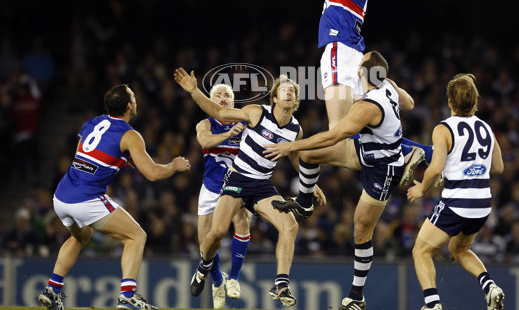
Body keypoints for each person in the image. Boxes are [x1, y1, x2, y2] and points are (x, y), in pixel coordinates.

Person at [269, 0, 431, 186]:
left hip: (339, 51)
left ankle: (307, 195)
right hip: (354, 56)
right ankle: (414, 144)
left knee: (339, 133)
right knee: (369, 123)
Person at [264, 51, 414, 310]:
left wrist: (292, 146)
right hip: (367, 151)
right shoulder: (386, 85)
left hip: (383, 169)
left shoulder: (368, 106)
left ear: (361, 72)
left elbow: (334, 136)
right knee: (309, 154)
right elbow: (409, 103)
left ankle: (356, 297)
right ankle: (305, 202)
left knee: (360, 229)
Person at [174, 68, 325, 308]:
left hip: (262, 184)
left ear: (295, 101)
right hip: (237, 179)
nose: (289, 93)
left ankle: (281, 283)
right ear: (274, 98)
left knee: (290, 226)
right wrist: (194, 91)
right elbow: (220, 112)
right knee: (217, 232)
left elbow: (295, 156)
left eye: (293, 92)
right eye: (284, 89)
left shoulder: (295, 129)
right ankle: (204, 268)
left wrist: (310, 182)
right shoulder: (257, 112)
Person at [38, 84, 191, 310]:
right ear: (129, 105)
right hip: (86, 200)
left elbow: (83, 156)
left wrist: (117, 159)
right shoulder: (130, 135)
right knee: (136, 236)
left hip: (61, 197)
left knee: (81, 236)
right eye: (133, 97)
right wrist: (174, 166)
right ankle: (128, 296)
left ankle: (52, 289)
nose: (136, 100)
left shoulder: (92, 122)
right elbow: (152, 173)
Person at [406, 74, 505, 310]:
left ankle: (432, 305)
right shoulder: (485, 128)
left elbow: (436, 168)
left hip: (456, 202)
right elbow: (498, 167)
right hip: (482, 204)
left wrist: (422, 187)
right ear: (475, 101)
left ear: (450, 100)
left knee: (421, 251)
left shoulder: (443, 128)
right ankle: (490, 286)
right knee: (459, 249)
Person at [195, 83, 252, 309]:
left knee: (242, 220)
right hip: (210, 187)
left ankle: (235, 278)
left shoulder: (247, 125)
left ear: (233, 102)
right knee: (205, 242)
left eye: (227, 95)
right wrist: (229, 134)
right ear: (210, 101)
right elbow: (205, 142)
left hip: (237, 185)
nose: (223, 98)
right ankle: (218, 280)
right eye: (217, 95)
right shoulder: (206, 123)